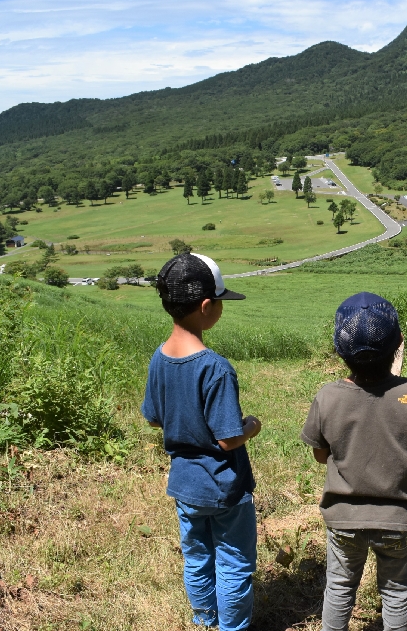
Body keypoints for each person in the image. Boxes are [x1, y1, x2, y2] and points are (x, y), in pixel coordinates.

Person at [301, 292, 407, 631]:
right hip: (398, 518)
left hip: (343, 520)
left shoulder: (328, 396)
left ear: (339, 350)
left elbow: (321, 455)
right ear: (399, 345)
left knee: (338, 589)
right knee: (396, 594)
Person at [141, 252, 262, 631]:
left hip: (185, 485)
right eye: (221, 302)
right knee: (234, 560)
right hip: (224, 487)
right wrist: (252, 427)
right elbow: (228, 440)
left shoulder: (159, 358)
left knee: (196, 558)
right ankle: (232, 627)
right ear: (206, 306)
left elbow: (153, 417)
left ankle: (205, 619)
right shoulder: (215, 367)